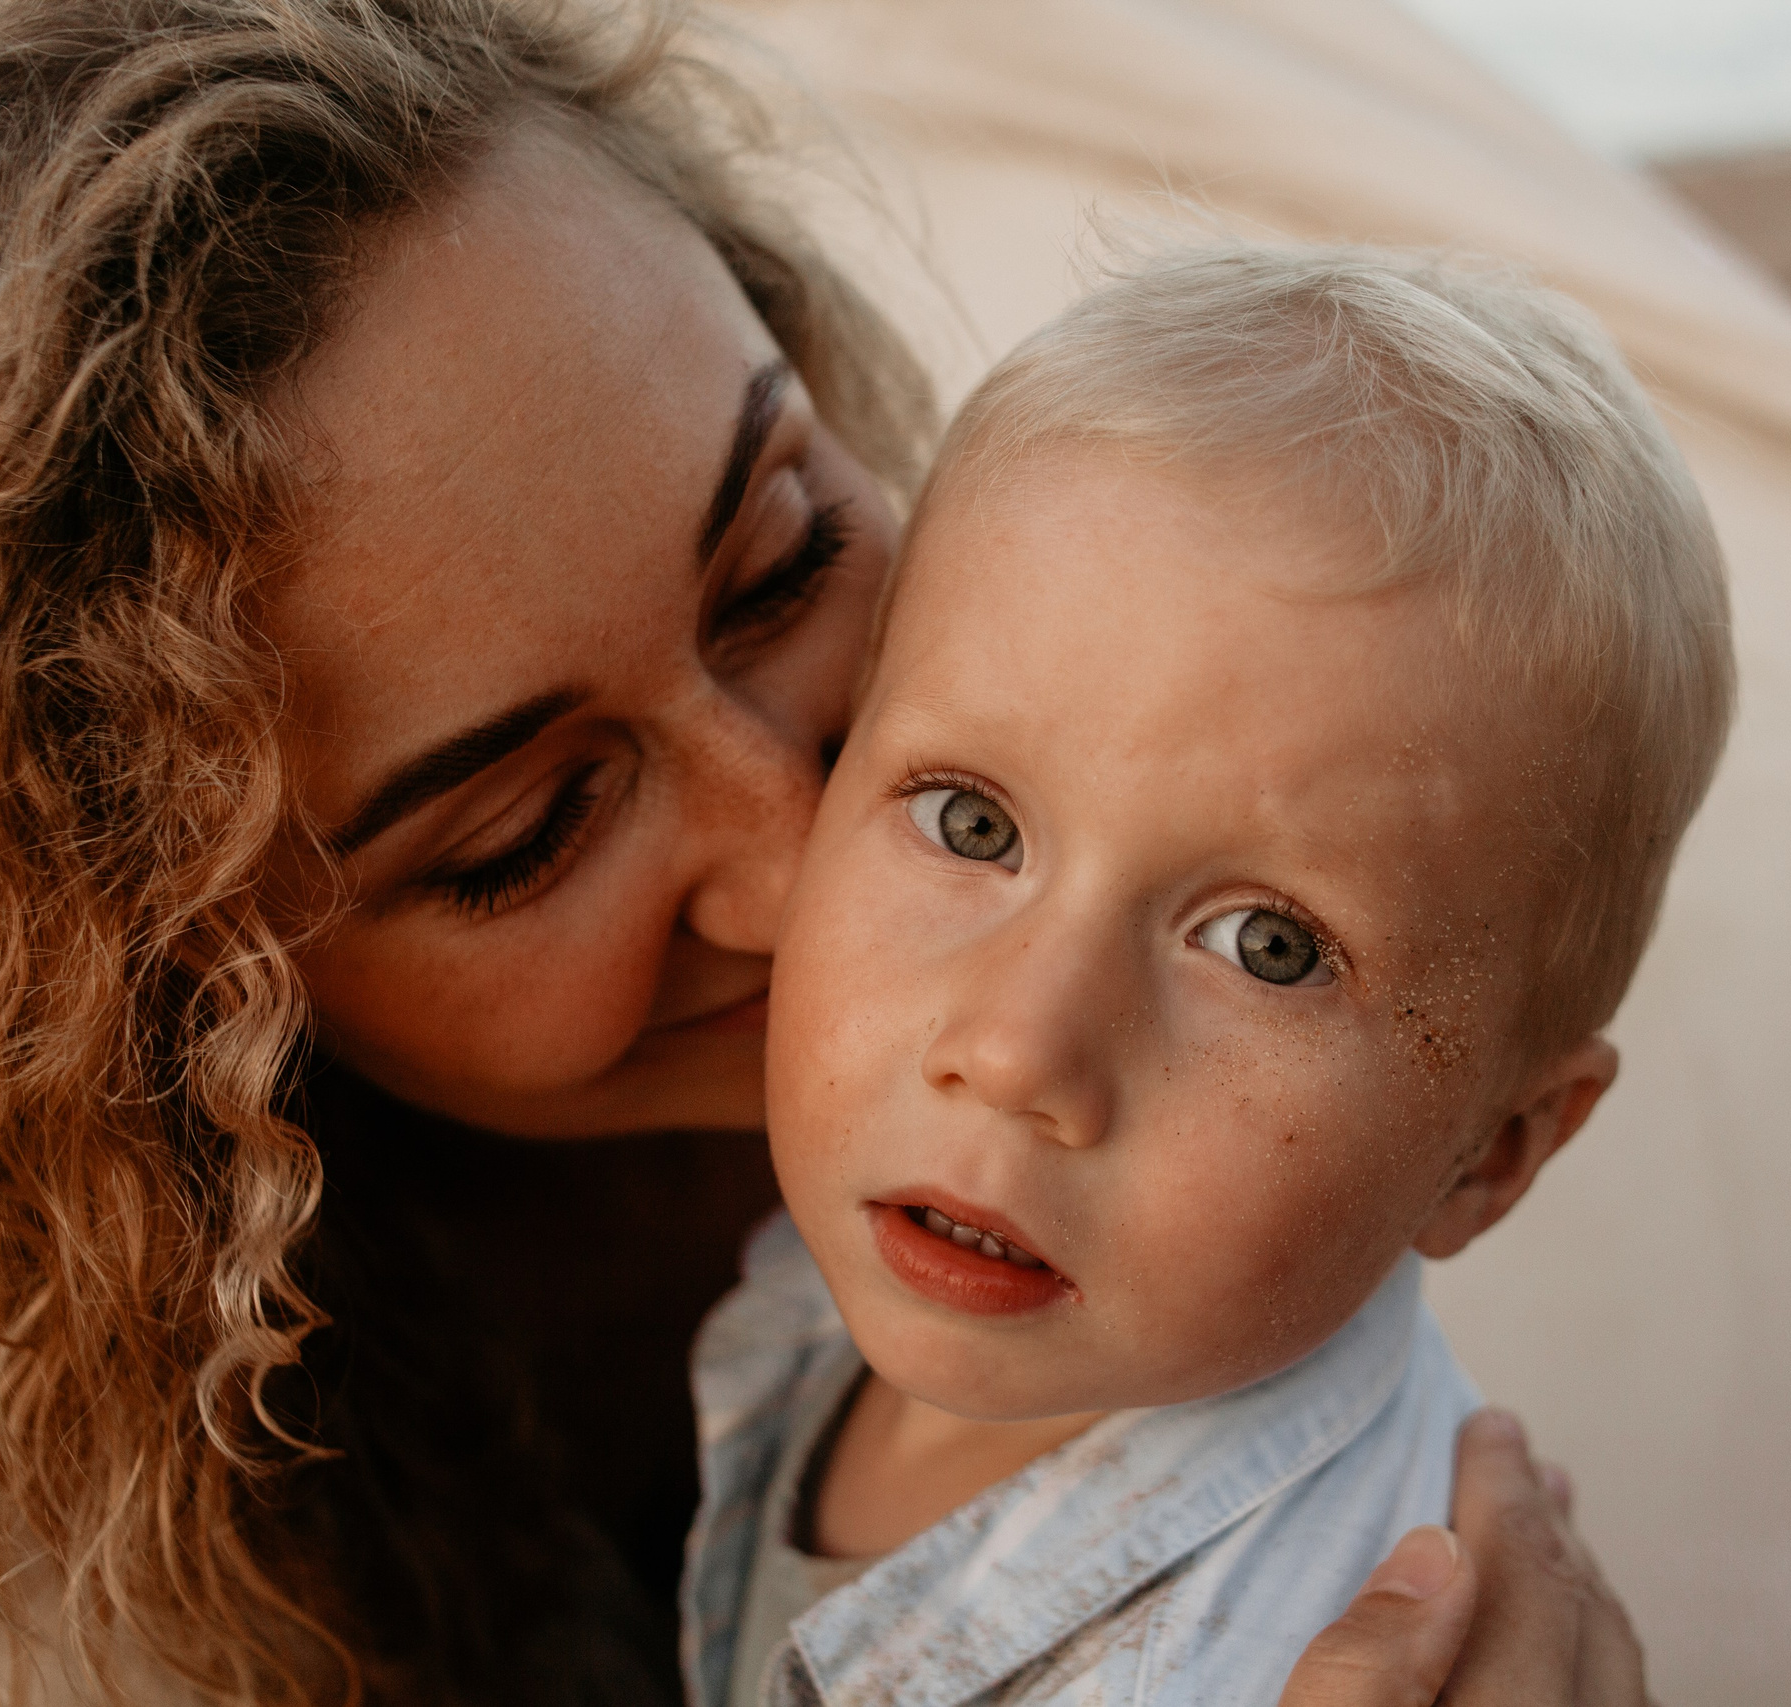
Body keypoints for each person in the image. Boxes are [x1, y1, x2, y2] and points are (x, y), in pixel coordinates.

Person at [0, 1, 1641, 1703]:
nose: (812, 867)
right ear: (157, 992)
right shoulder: (75, 1558)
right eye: (525, 831)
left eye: (784, 561)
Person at [685, 244, 1733, 1707]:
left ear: (1491, 1153)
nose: (1018, 1049)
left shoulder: (1278, 1659)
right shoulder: (802, 1297)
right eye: (972, 824)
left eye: (1268, 947)